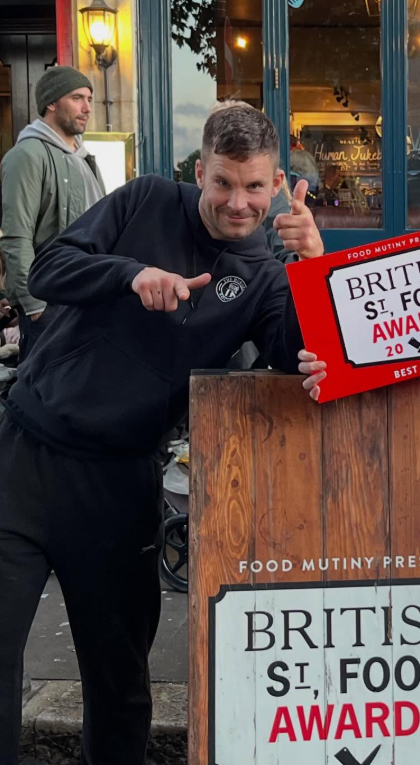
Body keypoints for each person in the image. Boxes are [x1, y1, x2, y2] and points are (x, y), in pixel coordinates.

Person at [0, 101, 327, 765]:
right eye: (224, 183)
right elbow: (48, 269)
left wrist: (312, 269)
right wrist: (129, 274)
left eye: (255, 186)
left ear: (274, 184)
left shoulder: (264, 274)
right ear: (199, 171)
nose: (239, 202)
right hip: (25, 457)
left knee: (119, 680)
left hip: (120, 485)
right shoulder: (144, 199)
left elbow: (298, 362)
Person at [0, 65, 106, 361]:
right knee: (44, 396)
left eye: (89, 98)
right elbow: (15, 236)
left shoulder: (84, 159)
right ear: (51, 102)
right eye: (77, 98)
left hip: (87, 298)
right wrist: (35, 307)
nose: (87, 107)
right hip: (51, 301)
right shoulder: (26, 155)